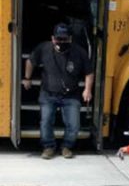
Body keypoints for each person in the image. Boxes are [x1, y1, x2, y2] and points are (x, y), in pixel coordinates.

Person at [23, 23, 94, 160]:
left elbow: (89, 72)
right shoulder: (43, 48)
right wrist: (27, 78)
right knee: (46, 121)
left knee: (74, 124)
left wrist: (87, 89)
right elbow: (30, 61)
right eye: (58, 39)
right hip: (48, 93)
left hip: (71, 95)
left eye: (64, 39)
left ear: (70, 39)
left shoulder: (79, 52)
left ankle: (66, 147)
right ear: (52, 38)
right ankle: (48, 147)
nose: (61, 42)